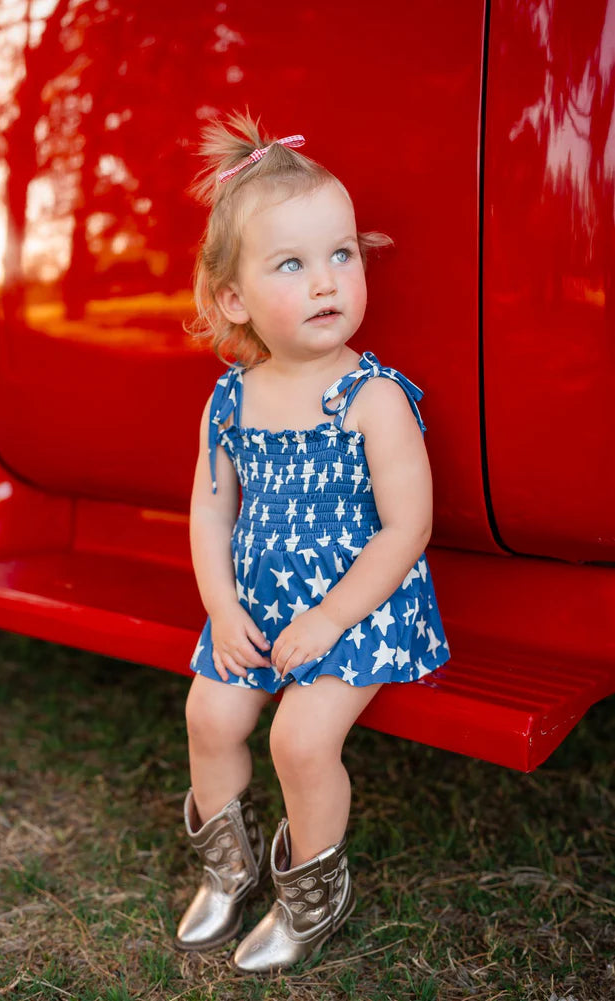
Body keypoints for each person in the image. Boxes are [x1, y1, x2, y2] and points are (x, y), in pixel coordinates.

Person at [176, 113, 450, 974]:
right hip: (257, 600)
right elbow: (210, 513)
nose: (328, 280)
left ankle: (310, 894)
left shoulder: (373, 399)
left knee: (299, 739)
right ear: (233, 298)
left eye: (343, 254)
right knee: (209, 713)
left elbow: (409, 528)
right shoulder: (230, 400)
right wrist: (222, 609)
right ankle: (228, 867)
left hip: (362, 602)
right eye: (291, 264)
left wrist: (330, 618)